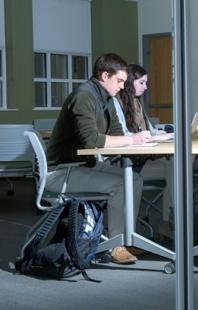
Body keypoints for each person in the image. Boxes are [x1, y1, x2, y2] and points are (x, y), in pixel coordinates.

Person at [46, 53, 150, 264]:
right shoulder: (84, 96)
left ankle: (128, 237)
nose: (122, 86)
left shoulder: (106, 98)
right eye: (119, 81)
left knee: (135, 180)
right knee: (120, 185)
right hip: (61, 172)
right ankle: (115, 244)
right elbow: (92, 141)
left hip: (83, 166)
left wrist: (137, 140)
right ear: (105, 75)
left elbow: (118, 133)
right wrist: (133, 141)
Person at [114, 64, 175, 239]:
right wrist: (156, 138)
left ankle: (169, 217)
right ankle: (170, 218)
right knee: (173, 168)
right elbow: (128, 136)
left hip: (142, 159)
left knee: (174, 164)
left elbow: (149, 129)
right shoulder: (117, 103)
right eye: (142, 82)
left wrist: (164, 134)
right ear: (130, 82)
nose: (145, 87)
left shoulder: (136, 102)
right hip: (128, 163)